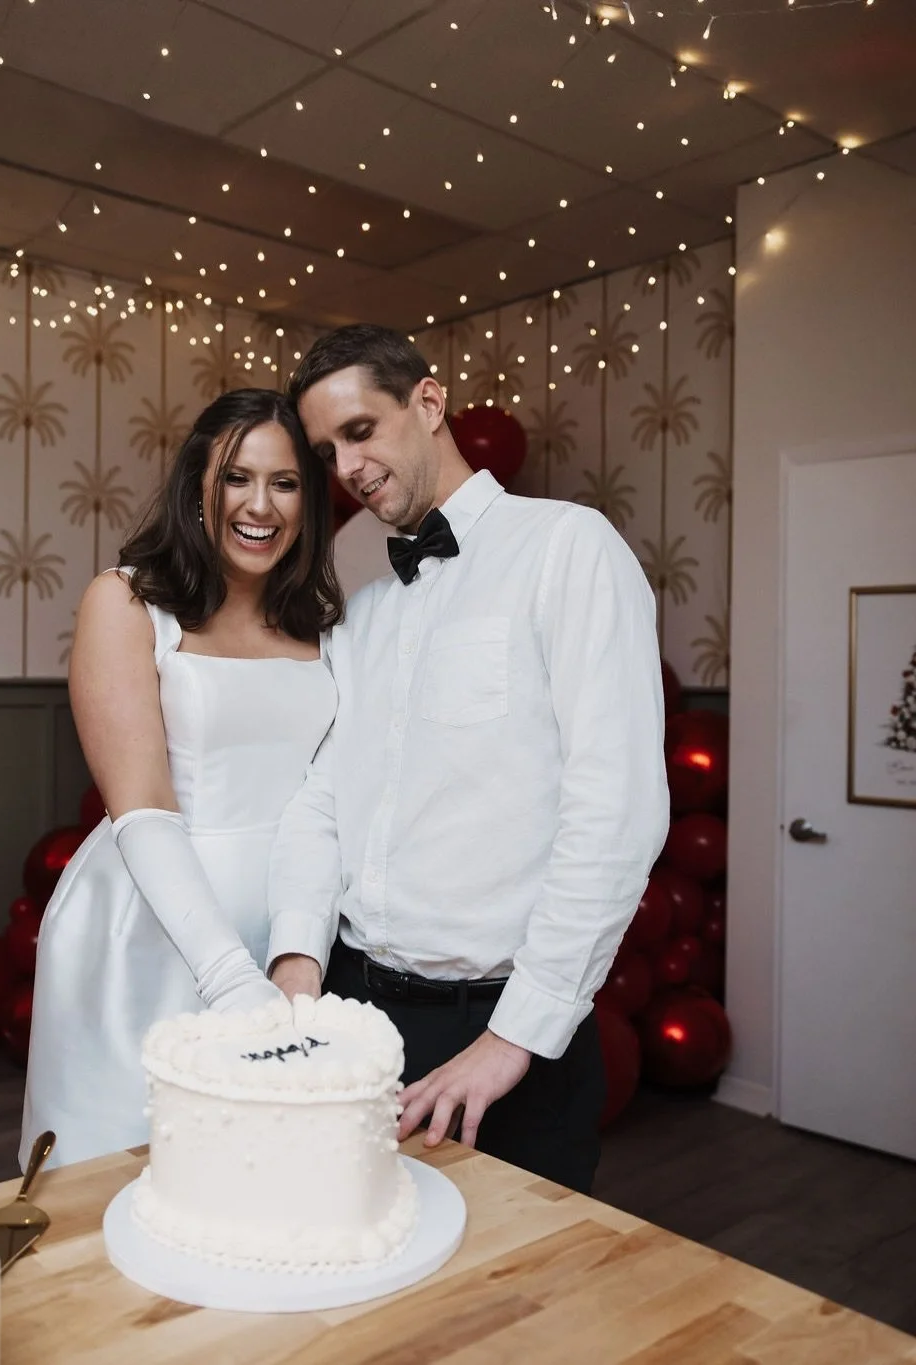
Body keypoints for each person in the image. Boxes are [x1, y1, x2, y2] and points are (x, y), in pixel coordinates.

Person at [267, 325, 668, 1193]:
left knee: (515, 1316)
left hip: (506, 1034)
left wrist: (513, 1037)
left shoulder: (569, 548)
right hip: (355, 1016)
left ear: (429, 400)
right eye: (328, 451)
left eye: (361, 430)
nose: (348, 468)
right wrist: (297, 958)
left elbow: (618, 810)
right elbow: (322, 800)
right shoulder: (365, 612)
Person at [21, 389, 342, 1169]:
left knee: (261, 1183)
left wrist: (298, 950)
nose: (259, 505)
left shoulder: (326, 625)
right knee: (116, 1176)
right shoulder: (127, 602)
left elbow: (324, 799)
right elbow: (143, 806)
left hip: (284, 921)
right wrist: (230, 977)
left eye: (286, 482)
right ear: (198, 483)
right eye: (237, 477)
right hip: (153, 925)